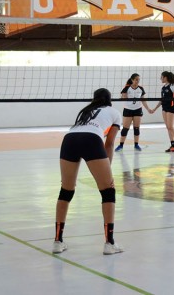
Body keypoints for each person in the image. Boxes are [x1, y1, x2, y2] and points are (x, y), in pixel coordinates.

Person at [52, 88, 123, 255]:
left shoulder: (85, 111)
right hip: (91, 140)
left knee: (66, 191)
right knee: (108, 191)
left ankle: (57, 241)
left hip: (69, 140)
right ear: (109, 100)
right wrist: (107, 167)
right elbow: (110, 143)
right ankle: (109, 243)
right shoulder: (114, 112)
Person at [149, 71, 174, 153]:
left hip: (171, 108)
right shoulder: (163, 87)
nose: (160, 78)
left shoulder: (173, 86)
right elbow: (162, 100)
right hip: (164, 108)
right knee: (168, 127)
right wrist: (154, 109)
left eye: (162, 77)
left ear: (166, 77)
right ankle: (173, 145)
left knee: (170, 126)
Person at [116, 73, 145, 152]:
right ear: (132, 80)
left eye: (138, 80)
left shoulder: (141, 88)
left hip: (138, 109)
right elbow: (123, 97)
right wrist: (123, 96)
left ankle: (136, 144)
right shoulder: (127, 88)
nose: (137, 81)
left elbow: (143, 100)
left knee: (136, 128)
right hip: (128, 109)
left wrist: (149, 109)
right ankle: (121, 145)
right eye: (136, 80)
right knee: (125, 129)